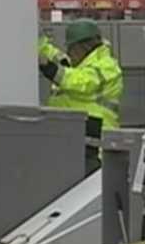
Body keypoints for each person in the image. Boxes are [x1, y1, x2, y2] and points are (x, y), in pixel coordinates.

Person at [38, 19, 123, 172]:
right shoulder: (78, 63)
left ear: (84, 46)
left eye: (71, 48)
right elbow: (51, 53)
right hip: (75, 141)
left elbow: (82, 83)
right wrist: (34, 39)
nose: (69, 52)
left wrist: (50, 69)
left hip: (96, 148)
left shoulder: (107, 66)